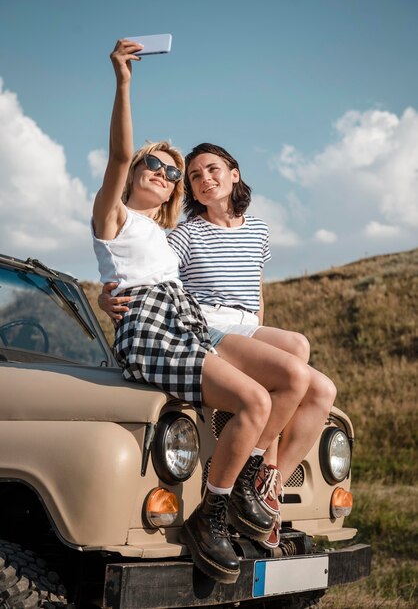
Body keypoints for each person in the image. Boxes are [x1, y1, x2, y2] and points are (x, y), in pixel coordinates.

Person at [92, 38, 313, 584]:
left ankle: (244, 489)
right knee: (253, 400)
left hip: (186, 318)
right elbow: (118, 156)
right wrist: (123, 80)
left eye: (171, 172)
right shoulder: (113, 216)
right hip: (149, 325)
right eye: (154, 164)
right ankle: (208, 515)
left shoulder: (169, 237)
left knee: (292, 376)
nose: (161, 173)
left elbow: (204, 275)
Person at [100, 142, 337, 550]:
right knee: (295, 356)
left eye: (211, 170)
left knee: (321, 386)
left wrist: (260, 328)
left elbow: (257, 292)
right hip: (207, 323)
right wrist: (108, 299)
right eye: (193, 176)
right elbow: (147, 269)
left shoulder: (259, 230)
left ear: (234, 173)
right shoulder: (184, 233)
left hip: (248, 325)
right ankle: (254, 478)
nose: (203, 179)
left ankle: (268, 483)